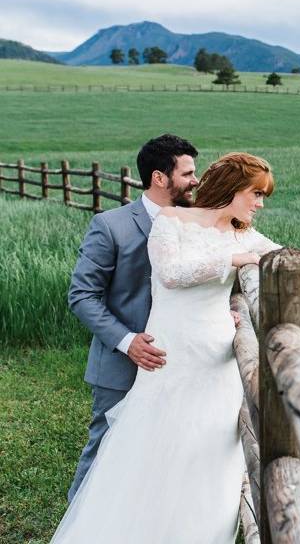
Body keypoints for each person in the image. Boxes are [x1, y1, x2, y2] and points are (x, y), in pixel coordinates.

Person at [53, 152, 300, 542]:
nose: (260, 204)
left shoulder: (245, 234)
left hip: (217, 360)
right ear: (233, 190)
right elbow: (171, 274)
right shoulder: (173, 222)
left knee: (212, 452)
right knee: (160, 446)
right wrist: (235, 259)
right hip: (174, 356)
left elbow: (289, 255)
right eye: (256, 194)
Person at [66, 133, 200, 503]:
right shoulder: (111, 226)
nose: (195, 180)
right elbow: (82, 296)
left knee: (160, 450)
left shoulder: (196, 223)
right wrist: (128, 343)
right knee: (106, 445)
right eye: (188, 173)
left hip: (181, 362)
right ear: (160, 177)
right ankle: (76, 525)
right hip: (121, 364)